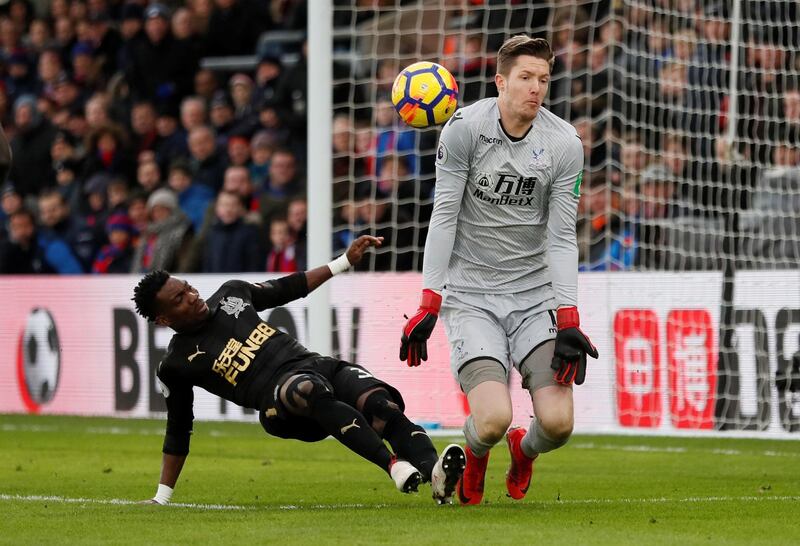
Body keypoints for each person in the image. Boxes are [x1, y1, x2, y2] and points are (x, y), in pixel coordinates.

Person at [399, 36, 598, 505]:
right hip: (471, 295)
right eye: (526, 78)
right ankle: (476, 452)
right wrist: (430, 300)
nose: (536, 88)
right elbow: (444, 216)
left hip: (535, 296)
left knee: (557, 425)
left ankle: (522, 452)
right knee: (489, 419)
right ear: (500, 81)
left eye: (544, 79)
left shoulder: (565, 143)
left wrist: (568, 316)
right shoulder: (464, 128)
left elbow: (562, 237)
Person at [133, 235, 466, 505]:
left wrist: (344, 261)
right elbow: (178, 429)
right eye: (179, 299)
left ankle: (435, 474)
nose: (191, 297)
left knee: (380, 405)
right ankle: (392, 465)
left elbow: (288, 287)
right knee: (303, 389)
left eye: (188, 288)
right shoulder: (175, 364)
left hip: (315, 366)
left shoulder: (231, 294)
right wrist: (162, 497)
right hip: (280, 406)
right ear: (163, 319)